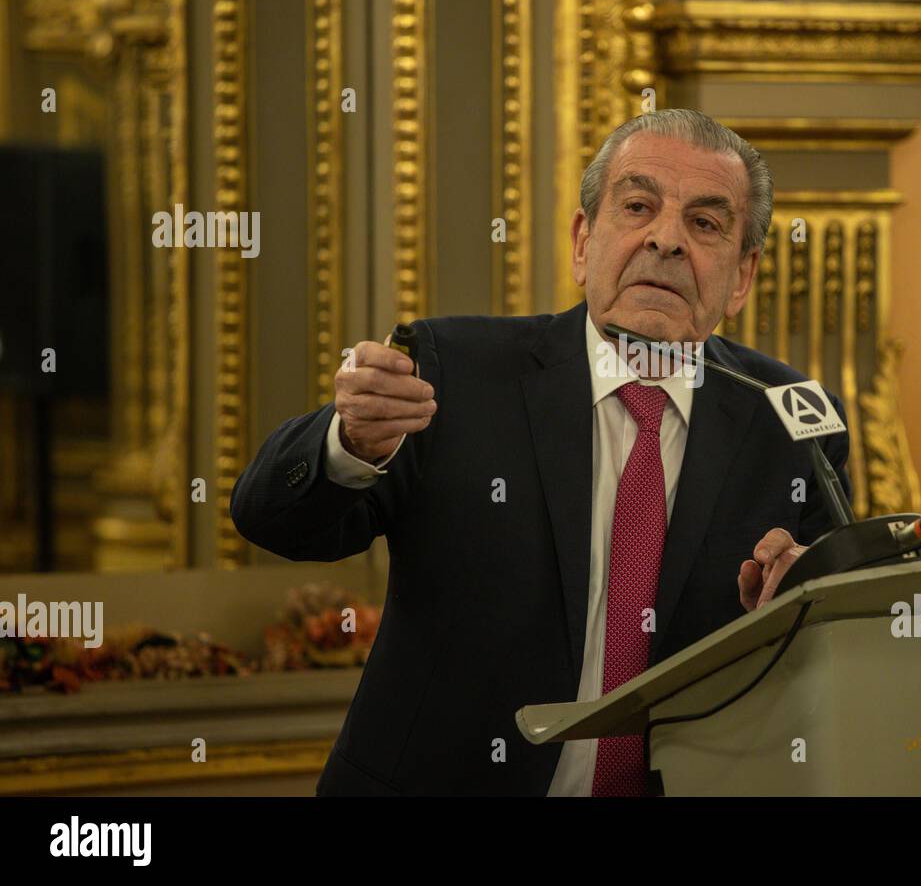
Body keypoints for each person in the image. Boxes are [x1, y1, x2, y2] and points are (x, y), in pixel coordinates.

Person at [230, 109, 850, 795]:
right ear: (584, 241)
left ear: (742, 276)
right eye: (638, 205)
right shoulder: (457, 371)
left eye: (705, 224)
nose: (666, 240)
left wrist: (809, 597)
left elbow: (854, 626)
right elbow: (271, 519)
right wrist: (347, 443)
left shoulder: (791, 418)